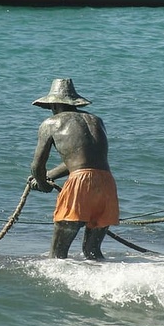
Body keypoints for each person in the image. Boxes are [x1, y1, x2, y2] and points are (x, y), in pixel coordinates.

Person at [28, 78, 119, 260]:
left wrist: (41, 182)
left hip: (79, 185)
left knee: (57, 256)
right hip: (106, 183)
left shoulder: (51, 124)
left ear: (54, 104)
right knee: (92, 252)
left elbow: (37, 166)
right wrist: (49, 176)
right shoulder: (96, 121)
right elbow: (84, 161)